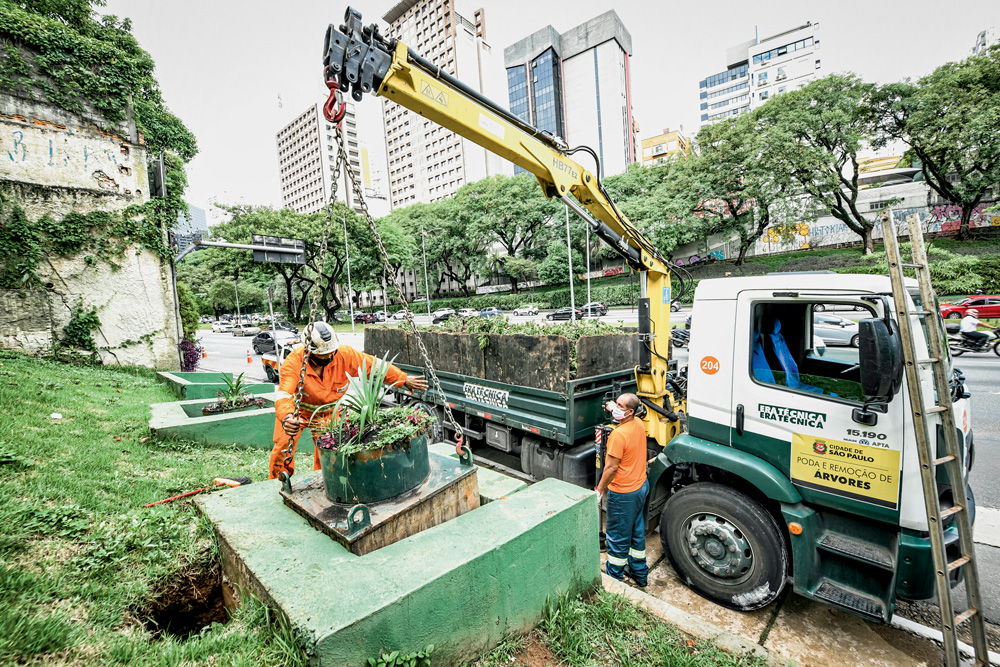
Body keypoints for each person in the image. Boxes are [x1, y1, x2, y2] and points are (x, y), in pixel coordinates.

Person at [267, 321, 428, 480]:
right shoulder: (293, 363)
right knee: (283, 446)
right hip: (297, 412)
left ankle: (324, 479)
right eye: (323, 355)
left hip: (328, 413)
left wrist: (403, 379)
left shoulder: (345, 355)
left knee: (329, 450)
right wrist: (287, 417)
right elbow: (284, 394)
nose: (329, 357)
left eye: (331, 352)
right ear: (309, 351)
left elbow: (374, 366)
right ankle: (276, 482)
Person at [596, 392, 649, 588]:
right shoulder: (639, 424)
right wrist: (612, 406)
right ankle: (640, 573)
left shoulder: (618, 435)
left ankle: (614, 579)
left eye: (620, 406)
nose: (615, 407)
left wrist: (599, 490)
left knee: (618, 536)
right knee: (636, 531)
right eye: (616, 403)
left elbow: (611, 468)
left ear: (630, 412)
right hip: (640, 486)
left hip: (623, 493)